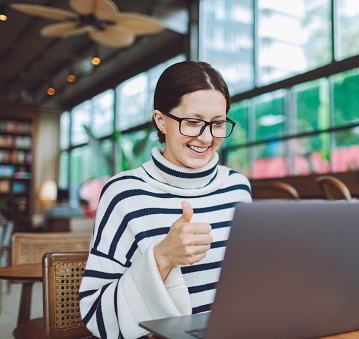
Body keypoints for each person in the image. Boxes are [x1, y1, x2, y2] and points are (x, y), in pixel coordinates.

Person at [79, 61, 252, 338]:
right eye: (193, 122)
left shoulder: (238, 187)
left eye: (217, 123)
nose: (206, 137)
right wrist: (163, 257)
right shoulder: (123, 193)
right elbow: (98, 318)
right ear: (161, 120)